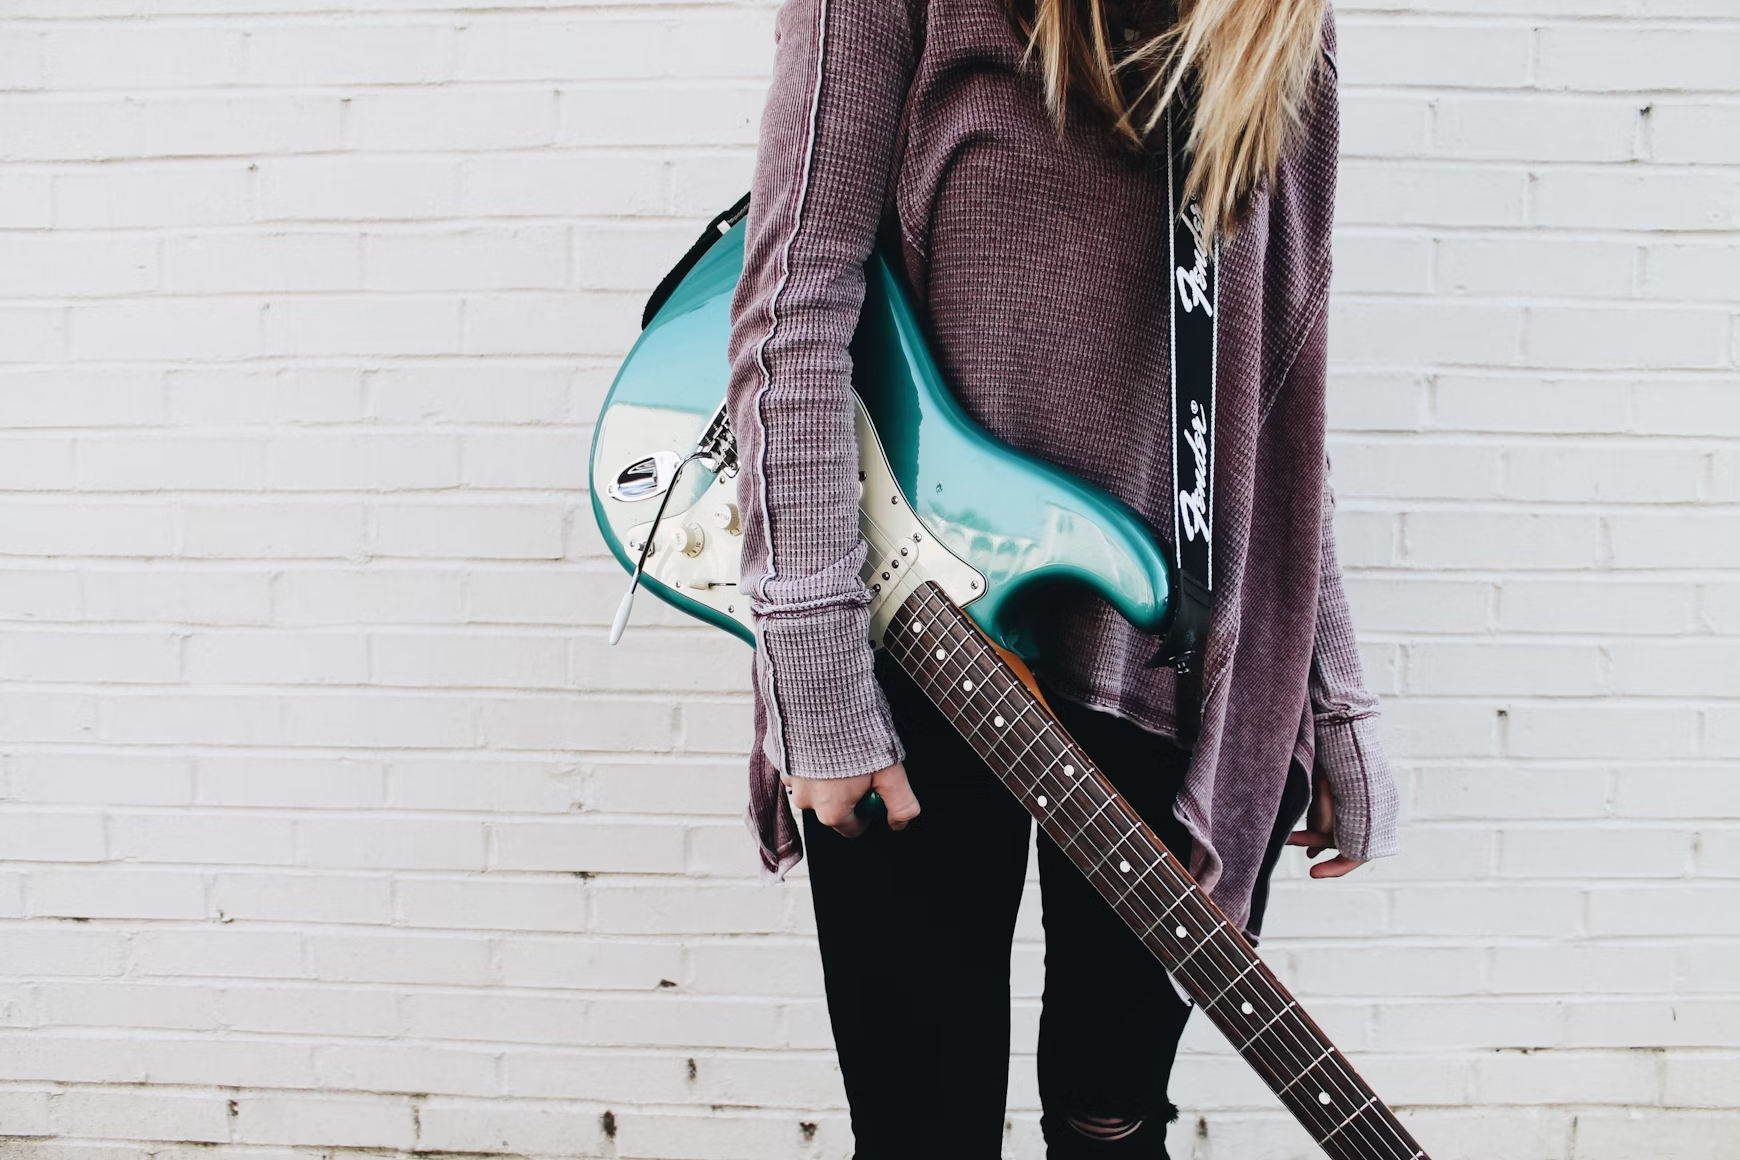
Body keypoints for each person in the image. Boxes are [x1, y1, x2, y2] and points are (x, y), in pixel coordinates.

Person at [722, 0, 1400, 1154]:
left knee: (1112, 1119)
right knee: (922, 1129)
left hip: (1179, 677)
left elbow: (1275, 402)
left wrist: (1325, 690)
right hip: (924, 662)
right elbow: (792, 309)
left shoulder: (1279, 28)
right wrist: (818, 680)